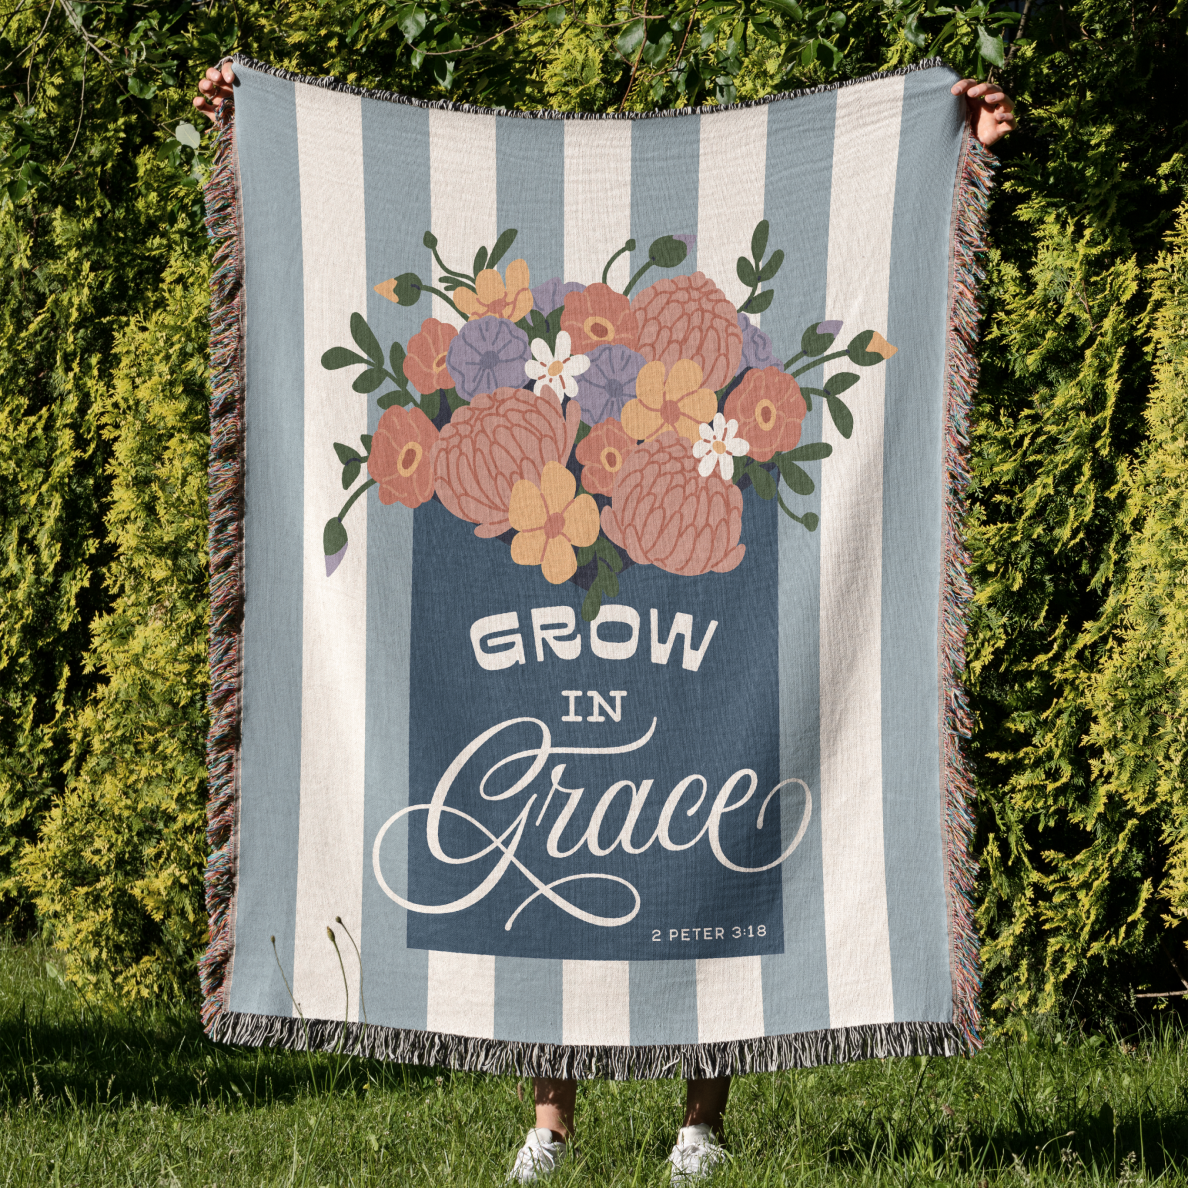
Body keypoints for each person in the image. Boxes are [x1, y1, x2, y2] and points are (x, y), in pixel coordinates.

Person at [192, 59, 1012, 1184]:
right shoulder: (546, 314)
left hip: (688, 538)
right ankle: (552, 1121)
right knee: (554, 816)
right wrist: (255, 121)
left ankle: (700, 1122)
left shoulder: (719, 185)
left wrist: (952, 136)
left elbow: (855, 199)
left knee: (711, 777)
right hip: (552, 539)